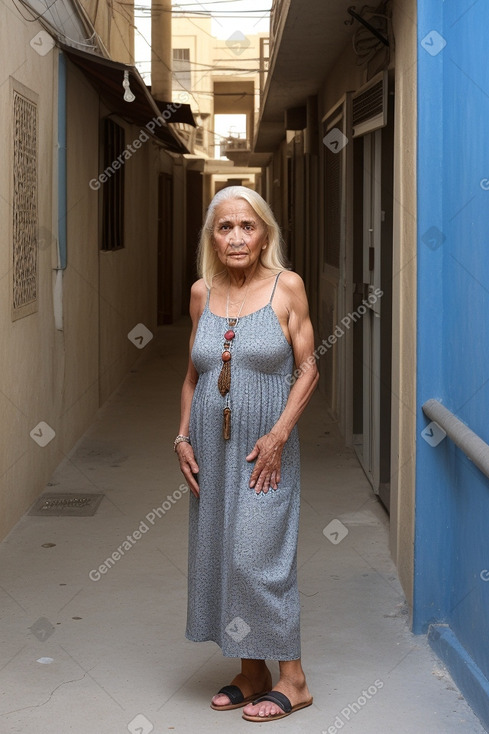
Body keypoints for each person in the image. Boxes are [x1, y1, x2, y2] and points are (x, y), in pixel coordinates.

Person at [174, 186, 319, 722]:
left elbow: (308, 368)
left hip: (266, 449)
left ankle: (294, 679)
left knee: (257, 559)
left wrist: (280, 433)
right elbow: (194, 375)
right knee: (224, 555)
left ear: (264, 235)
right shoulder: (202, 294)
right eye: (224, 227)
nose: (236, 237)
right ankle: (251, 671)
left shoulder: (288, 288)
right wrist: (182, 436)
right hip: (211, 449)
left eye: (247, 227)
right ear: (212, 237)